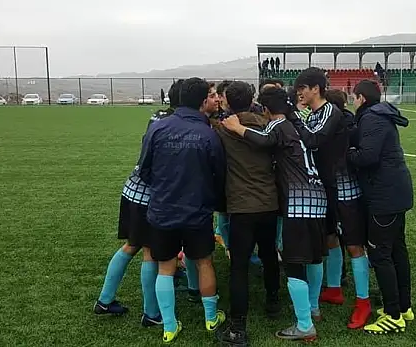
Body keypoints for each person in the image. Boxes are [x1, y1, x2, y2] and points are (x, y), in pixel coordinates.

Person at [221, 87, 327, 342]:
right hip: (315, 196)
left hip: (298, 201)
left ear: (267, 109)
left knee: (293, 262)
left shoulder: (277, 125)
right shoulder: (294, 123)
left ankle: (304, 325)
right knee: (312, 257)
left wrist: (236, 128)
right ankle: (311, 307)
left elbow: (264, 140)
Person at [138, 77, 226, 343]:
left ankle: (169, 324)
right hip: (197, 212)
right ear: (202, 102)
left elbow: (144, 169)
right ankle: (211, 318)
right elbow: (219, 175)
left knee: (165, 266)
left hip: (162, 210)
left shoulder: (158, 128)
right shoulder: (209, 134)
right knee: (204, 262)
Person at [93, 79, 184, 327]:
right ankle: (151, 313)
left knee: (132, 246)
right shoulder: (176, 125)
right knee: (149, 252)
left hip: (132, 189)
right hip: (149, 195)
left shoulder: (158, 116)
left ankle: (105, 299)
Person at [212, 81, 281, 346]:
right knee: (269, 254)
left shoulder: (223, 129)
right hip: (268, 203)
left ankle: (238, 326)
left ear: (227, 101)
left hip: (241, 206)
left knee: (239, 265)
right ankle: (273, 301)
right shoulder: (267, 124)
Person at [348, 80, 414, 335]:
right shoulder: (378, 115)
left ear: (361, 98)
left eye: (354, 97)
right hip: (393, 192)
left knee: (381, 254)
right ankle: (403, 306)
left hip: (384, 196)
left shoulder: (372, 119)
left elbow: (367, 157)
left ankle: (393, 314)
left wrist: (345, 153)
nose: (353, 101)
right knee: (397, 250)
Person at [287, 67, 347, 322]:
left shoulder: (330, 112)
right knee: (321, 243)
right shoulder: (313, 113)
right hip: (314, 187)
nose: (300, 92)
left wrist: (293, 117)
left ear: (315, 89)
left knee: (329, 239)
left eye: (303, 88)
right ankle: (318, 298)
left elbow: (314, 140)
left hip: (328, 186)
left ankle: (330, 289)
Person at [323, 89, 371, 329]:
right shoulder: (324, 126)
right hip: (330, 195)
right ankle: (334, 289)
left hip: (349, 196)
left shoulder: (348, 128)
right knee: (331, 240)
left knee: (354, 246)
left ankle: (363, 301)